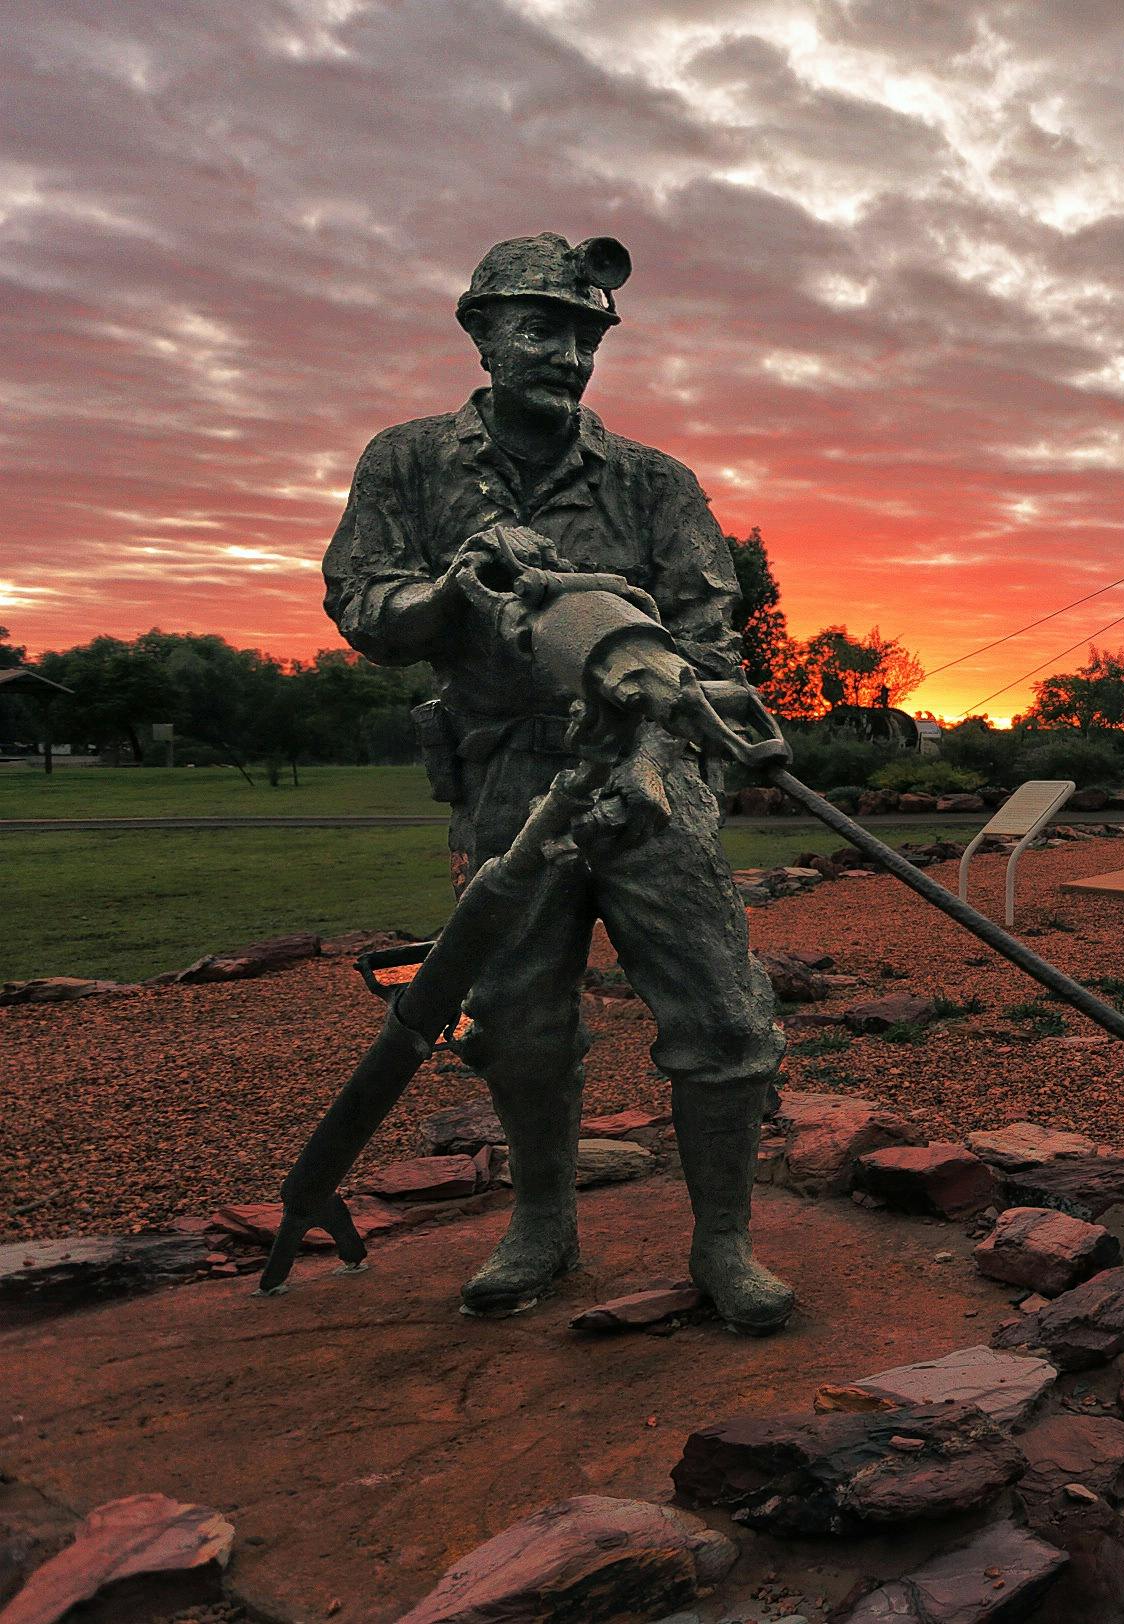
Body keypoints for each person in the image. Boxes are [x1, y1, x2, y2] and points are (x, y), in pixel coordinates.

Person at [321, 233, 793, 1333]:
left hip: (650, 764)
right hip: (506, 777)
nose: (567, 355)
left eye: (585, 335)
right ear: (480, 332)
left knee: (722, 1019)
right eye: (541, 328)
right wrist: (452, 591)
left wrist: (654, 746)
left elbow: (709, 643)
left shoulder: (651, 481)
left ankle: (723, 1241)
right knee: (520, 1021)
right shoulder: (408, 463)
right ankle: (542, 1222)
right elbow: (363, 606)